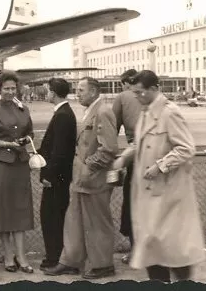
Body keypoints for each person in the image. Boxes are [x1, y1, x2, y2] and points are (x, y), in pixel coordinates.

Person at [113, 70, 205, 283]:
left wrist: (160, 166)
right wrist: (123, 158)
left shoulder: (169, 113)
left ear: (154, 89)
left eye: (140, 92)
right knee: (152, 249)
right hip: (149, 195)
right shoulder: (146, 113)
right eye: (134, 92)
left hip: (169, 195)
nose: (136, 96)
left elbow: (186, 148)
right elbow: (140, 143)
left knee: (175, 251)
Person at [44, 77, 118, 280]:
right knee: (74, 221)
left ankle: (103, 265)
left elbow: (109, 149)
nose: (78, 93)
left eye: (81, 90)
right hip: (80, 181)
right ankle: (70, 262)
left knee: (97, 224)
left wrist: (88, 168)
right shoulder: (89, 112)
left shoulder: (103, 112)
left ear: (94, 91)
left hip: (93, 181)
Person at [0, 71, 35, 274]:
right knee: (3, 210)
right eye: (7, 88)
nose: (10, 92)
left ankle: (21, 256)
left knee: (20, 210)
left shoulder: (23, 108)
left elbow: (29, 132)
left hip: (20, 163)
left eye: (13, 88)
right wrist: (5, 143)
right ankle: (8, 255)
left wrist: (24, 140)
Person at [37, 78, 77, 271]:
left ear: (53, 92)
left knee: (51, 216)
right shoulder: (64, 112)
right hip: (60, 176)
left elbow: (59, 151)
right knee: (54, 215)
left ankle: (54, 257)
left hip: (57, 177)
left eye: (47, 90)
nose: (46, 93)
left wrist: (49, 175)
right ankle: (54, 255)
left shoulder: (62, 115)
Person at [112, 68, 142, 265]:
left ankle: (136, 250)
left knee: (132, 203)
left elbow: (112, 128)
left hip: (135, 156)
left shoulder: (122, 97)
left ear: (124, 83)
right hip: (156, 156)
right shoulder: (151, 96)